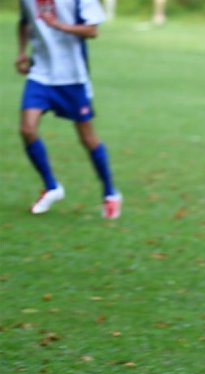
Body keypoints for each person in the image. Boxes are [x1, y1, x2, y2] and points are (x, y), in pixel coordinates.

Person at [16, 0, 122, 219]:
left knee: (87, 137)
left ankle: (110, 193)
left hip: (72, 76)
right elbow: (24, 21)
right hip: (40, 73)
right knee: (27, 129)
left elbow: (92, 30)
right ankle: (51, 186)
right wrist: (21, 52)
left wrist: (58, 25)